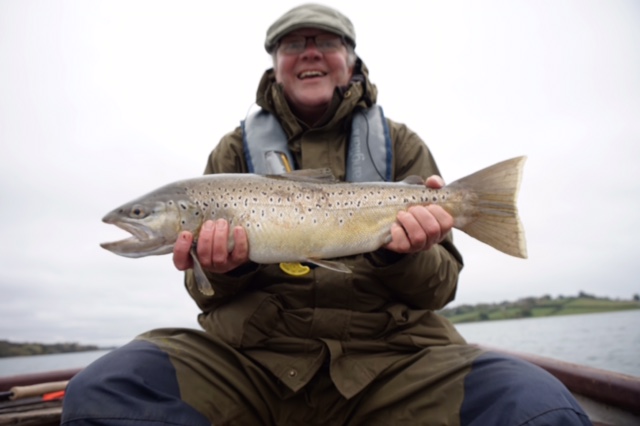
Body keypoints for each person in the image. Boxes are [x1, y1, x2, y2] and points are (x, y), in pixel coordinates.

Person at [62, 4, 591, 425]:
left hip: (394, 361)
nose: (309, 54)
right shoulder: (229, 155)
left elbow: (439, 290)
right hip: (253, 363)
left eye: (326, 42)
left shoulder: (401, 145)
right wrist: (227, 272)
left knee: (538, 406)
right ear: (275, 63)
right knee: (107, 390)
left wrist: (399, 255)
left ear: (352, 59)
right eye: (294, 44)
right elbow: (203, 293)